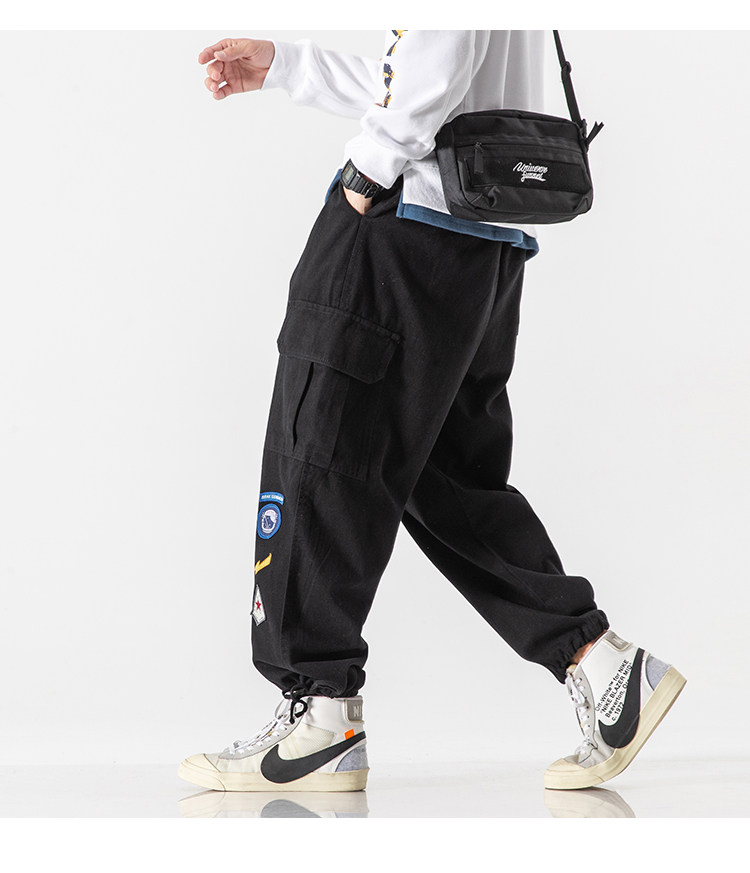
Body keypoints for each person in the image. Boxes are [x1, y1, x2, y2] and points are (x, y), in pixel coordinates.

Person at [179, 30, 685, 793]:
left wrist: (368, 169)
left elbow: (434, 70)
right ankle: (602, 664)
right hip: (479, 237)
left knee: (318, 446)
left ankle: (319, 714)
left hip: (404, 224)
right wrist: (290, 66)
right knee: (447, 480)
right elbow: (428, 80)